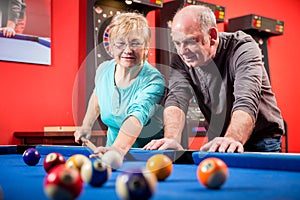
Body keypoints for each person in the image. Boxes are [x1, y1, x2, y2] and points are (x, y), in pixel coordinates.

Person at [144, 5, 285, 152]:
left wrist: (232, 138)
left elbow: (246, 99)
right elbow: (177, 99)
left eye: (190, 41)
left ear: (212, 36)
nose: (182, 51)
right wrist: (171, 138)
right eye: (177, 43)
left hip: (261, 139)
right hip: (220, 138)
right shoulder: (180, 58)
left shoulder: (242, 47)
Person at [74, 12, 165, 158]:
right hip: (111, 154)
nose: (128, 50)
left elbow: (136, 116)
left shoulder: (155, 81)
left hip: (148, 159)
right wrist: (86, 126)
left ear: (147, 47)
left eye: (135, 43)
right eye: (121, 43)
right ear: (111, 47)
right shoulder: (104, 69)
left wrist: (117, 149)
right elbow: (98, 97)